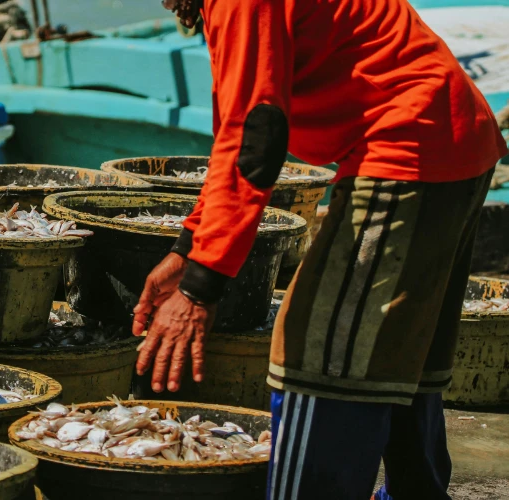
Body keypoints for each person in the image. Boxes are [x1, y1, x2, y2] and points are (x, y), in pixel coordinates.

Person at [135, 0, 507, 498]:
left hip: (408, 147)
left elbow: (258, 138)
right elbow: (237, 131)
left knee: (319, 359)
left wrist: (201, 288)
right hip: (452, 138)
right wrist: (188, 247)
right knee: (397, 354)